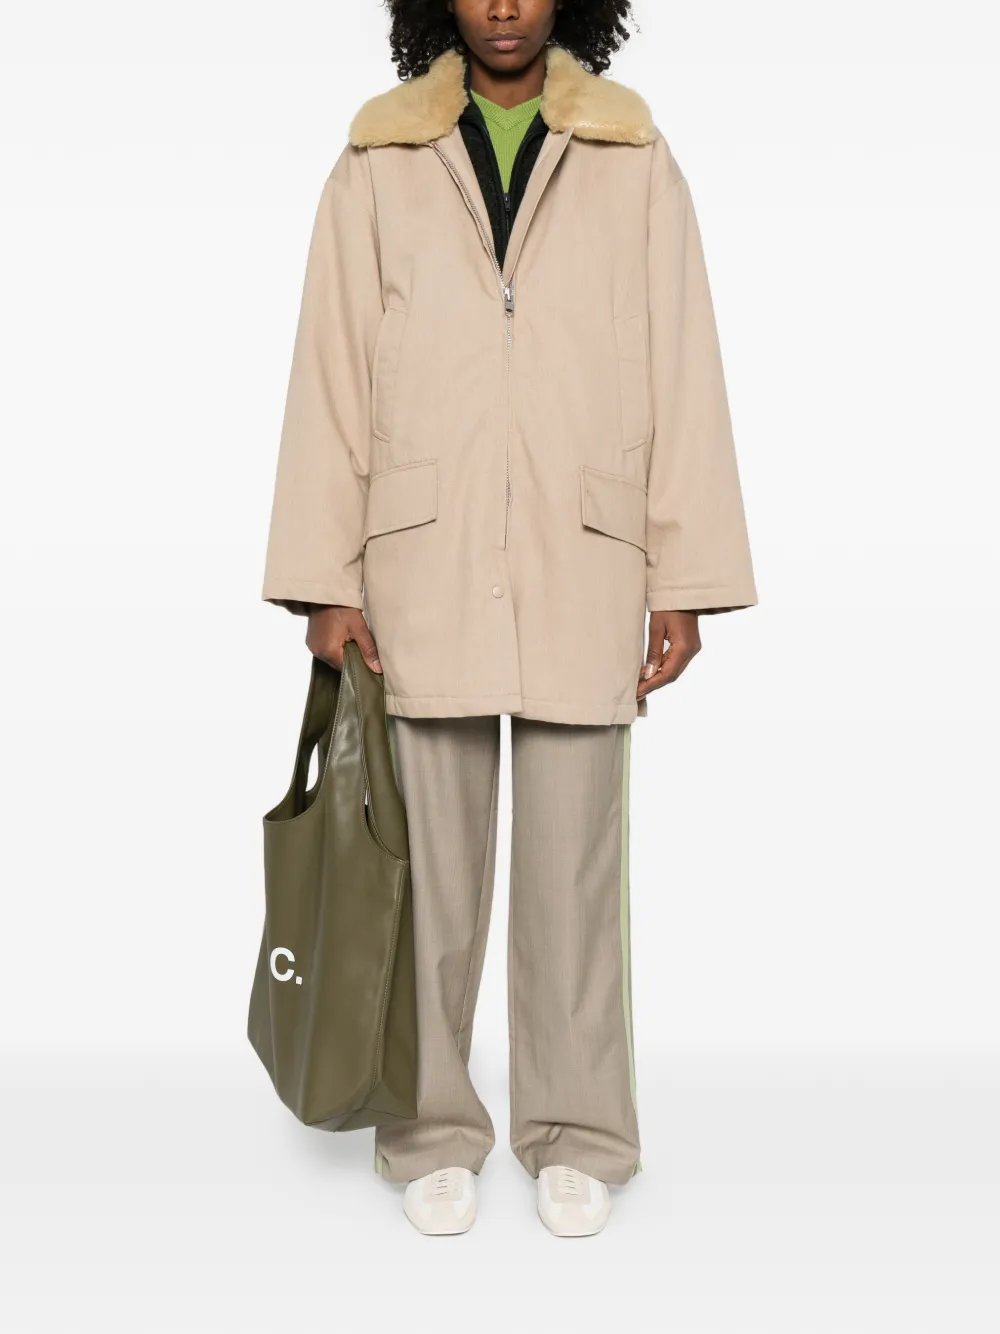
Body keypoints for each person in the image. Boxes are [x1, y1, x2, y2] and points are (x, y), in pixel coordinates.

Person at [262, 0, 756, 1237]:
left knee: (574, 868)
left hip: (585, 546)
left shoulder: (632, 153)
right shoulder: (378, 156)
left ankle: (578, 1127)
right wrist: (326, 578)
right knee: (424, 870)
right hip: (417, 556)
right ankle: (431, 1125)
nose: (502, 5)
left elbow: (684, 362)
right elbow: (330, 368)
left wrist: (685, 574)